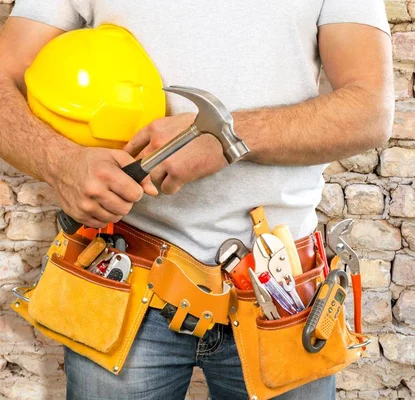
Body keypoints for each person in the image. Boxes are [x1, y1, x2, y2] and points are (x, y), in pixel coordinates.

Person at [0, 1, 393, 399]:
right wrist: (60, 163)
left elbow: (370, 110)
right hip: (123, 278)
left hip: (280, 296)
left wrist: (229, 136)